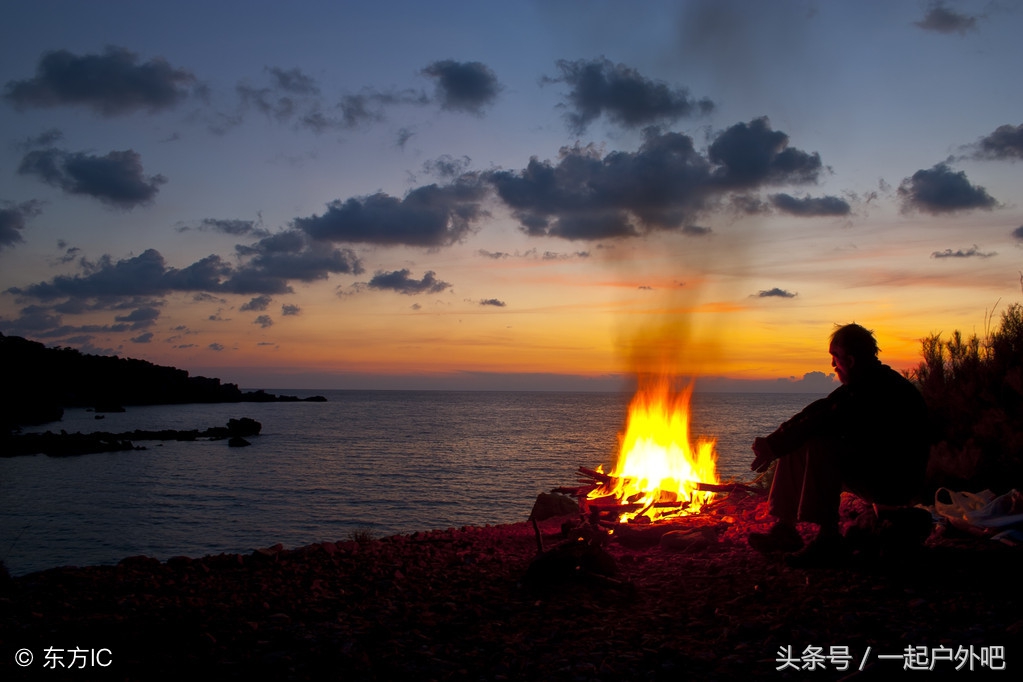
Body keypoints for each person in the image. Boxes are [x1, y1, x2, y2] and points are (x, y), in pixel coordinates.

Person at [748, 323, 930, 566]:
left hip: (894, 481)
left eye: (835, 357)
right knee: (802, 439)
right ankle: (785, 529)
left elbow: (824, 418)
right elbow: (819, 411)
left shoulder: (877, 390)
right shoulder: (866, 383)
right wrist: (774, 443)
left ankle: (828, 539)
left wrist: (774, 445)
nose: (833, 365)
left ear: (851, 360)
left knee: (820, 444)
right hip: (879, 470)